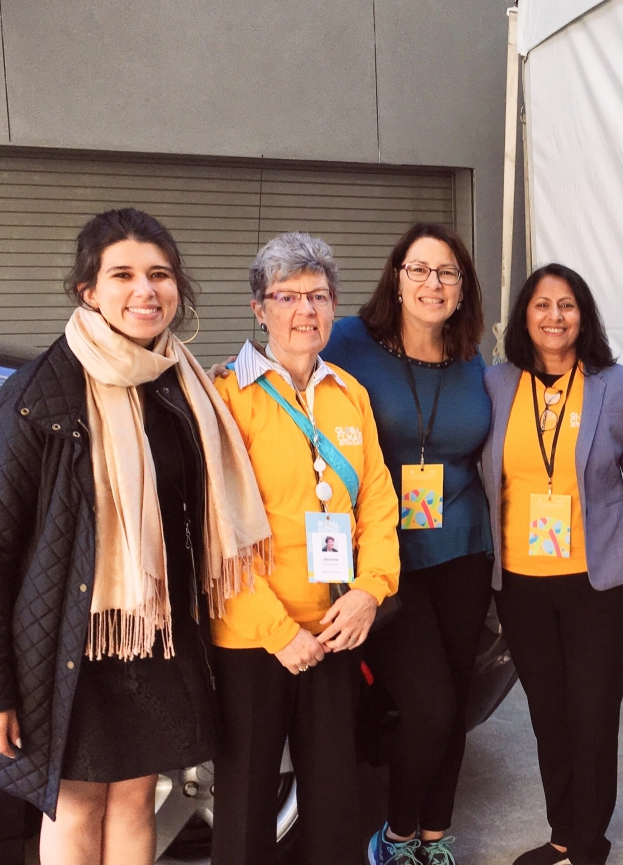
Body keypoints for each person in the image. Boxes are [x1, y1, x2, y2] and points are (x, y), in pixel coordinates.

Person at [0, 208, 272, 865]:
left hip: (153, 638)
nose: (145, 290)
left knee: (134, 796)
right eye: (122, 274)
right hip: (71, 644)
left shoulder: (180, 384)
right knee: (77, 804)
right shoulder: (42, 393)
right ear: (88, 290)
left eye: (160, 274)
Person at [209, 232, 401, 865]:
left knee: (335, 797)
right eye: (286, 295)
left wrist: (371, 590)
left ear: (335, 307)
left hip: (335, 627)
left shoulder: (350, 394)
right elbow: (217, 531)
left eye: (317, 295)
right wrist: (276, 629)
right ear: (259, 310)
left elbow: (376, 501)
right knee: (245, 802)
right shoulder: (224, 397)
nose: (304, 309)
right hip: (255, 636)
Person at [321, 223, 491, 865]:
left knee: (455, 706)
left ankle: (435, 836)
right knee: (429, 707)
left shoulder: (474, 358)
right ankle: (394, 836)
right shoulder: (348, 344)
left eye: (446, 272)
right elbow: (286, 381)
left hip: (464, 551)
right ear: (396, 278)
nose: (432, 283)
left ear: (462, 288)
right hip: (384, 560)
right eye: (419, 269)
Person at [482, 264, 623, 865]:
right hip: (519, 581)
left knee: (593, 714)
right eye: (541, 305)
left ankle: (588, 845)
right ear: (524, 316)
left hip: (597, 580)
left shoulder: (616, 384)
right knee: (549, 715)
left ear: (583, 315)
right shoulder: (496, 384)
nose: (553, 316)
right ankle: (564, 835)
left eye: (566, 305)